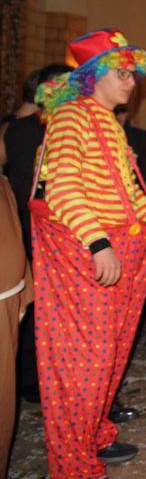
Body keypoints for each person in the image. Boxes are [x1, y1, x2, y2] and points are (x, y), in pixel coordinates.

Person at [30, 29, 146, 475]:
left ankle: (93, 435)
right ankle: (71, 460)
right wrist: (98, 243)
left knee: (110, 356)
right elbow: (62, 188)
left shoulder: (108, 121)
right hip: (87, 254)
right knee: (84, 360)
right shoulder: (71, 116)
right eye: (122, 74)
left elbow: (126, 190)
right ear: (93, 76)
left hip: (123, 249)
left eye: (133, 74)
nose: (132, 82)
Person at [3, 63, 72, 406]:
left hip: (56, 230)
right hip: (28, 229)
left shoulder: (63, 127)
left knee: (51, 309)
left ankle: (46, 376)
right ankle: (32, 378)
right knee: (33, 307)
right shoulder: (22, 129)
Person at [1, 174, 31, 476]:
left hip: (9, 297)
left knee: (4, 398)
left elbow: (16, 230)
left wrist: (24, 287)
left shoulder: (4, 183)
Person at [114, 105, 146, 200]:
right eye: (115, 113)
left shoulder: (142, 138)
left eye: (122, 112)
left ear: (127, 113)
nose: (119, 117)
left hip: (136, 200)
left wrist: (145, 203)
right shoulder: (94, 137)